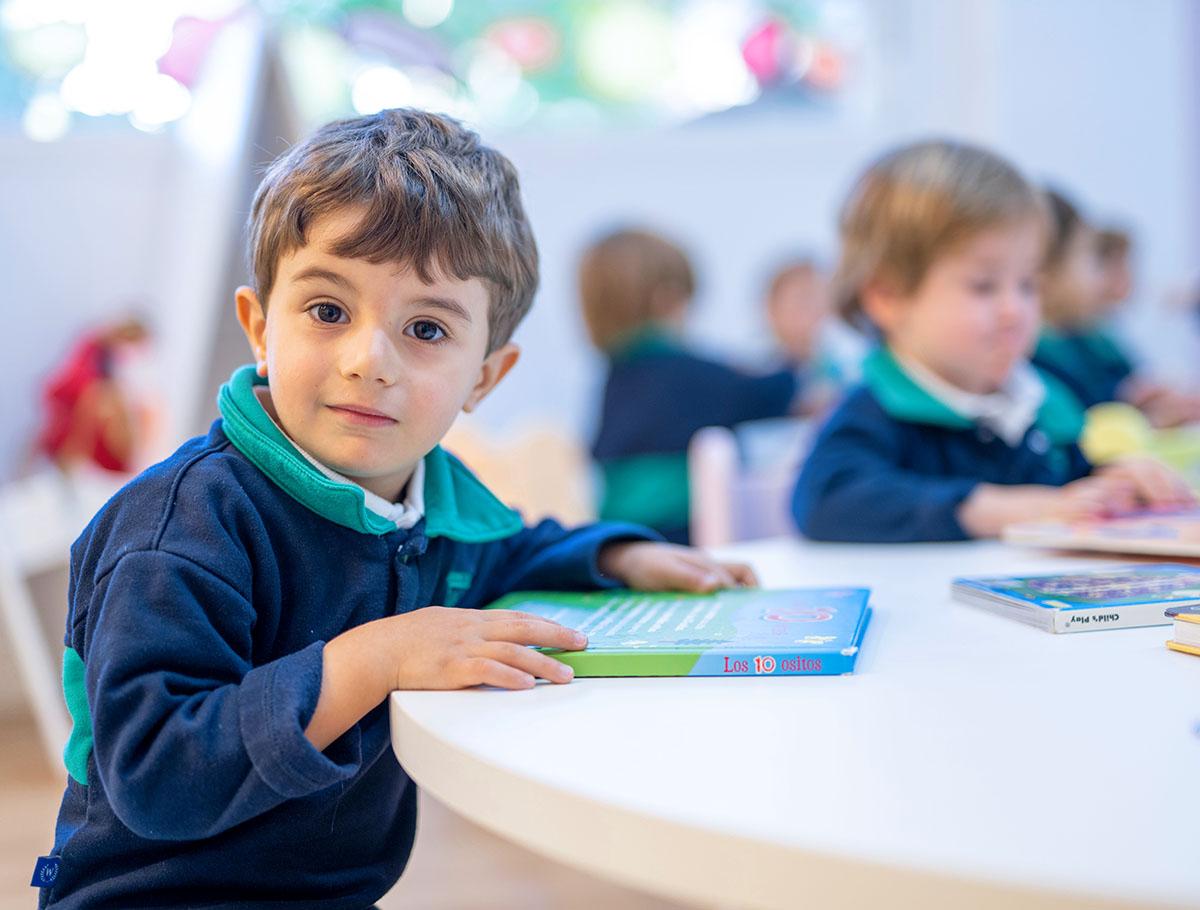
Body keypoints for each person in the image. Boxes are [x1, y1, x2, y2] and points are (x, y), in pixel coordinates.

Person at [35, 109, 755, 909]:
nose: (368, 361)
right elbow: (159, 770)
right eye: (329, 311)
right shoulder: (183, 524)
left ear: (485, 376)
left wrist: (618, 555)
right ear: (258, 328)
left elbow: (506, 552)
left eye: (424, 328)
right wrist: (376, 658)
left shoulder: (433, 496)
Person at [792, 140, 1192, 543]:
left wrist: (1115, 482)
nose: (1015, 310)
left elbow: (1071, 485)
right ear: (888, 297)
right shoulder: (876, 407)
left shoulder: (1042, 401)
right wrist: (1001, 509)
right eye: (983, 287)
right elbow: (826, 500)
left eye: (1028, 285)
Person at [582, 227, 801, 543]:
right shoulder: (684, 372)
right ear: (667, 299)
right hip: (682, 536)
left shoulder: (616, 377)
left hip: (620, 534)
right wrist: (794, 351)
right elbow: (771, 393)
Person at [1033, 191, 1200, 427]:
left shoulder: (1083, 337)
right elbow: (1086, 431)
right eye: (1089, 259)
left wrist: (1141, 402)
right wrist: (1143, 419)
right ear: (1048, 268)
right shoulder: (1037, 358)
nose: (1100, 280)